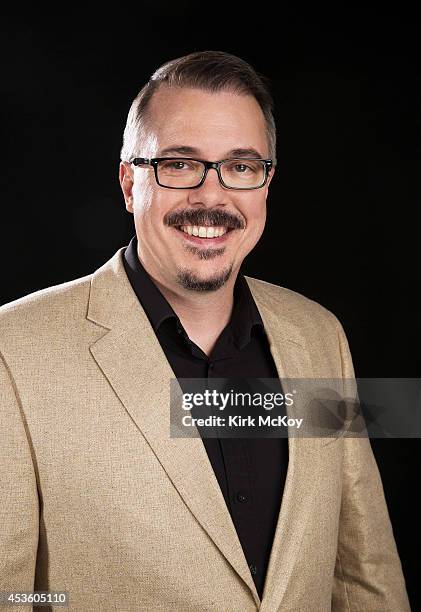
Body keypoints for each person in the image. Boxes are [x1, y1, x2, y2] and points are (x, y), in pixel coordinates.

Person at [0, 50, 410, 611]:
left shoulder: (319, 337)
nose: (211, 196)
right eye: (179, 163)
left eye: (241, 166)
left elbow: (363, 577)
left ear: (265, 184)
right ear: (128, 182)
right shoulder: (15, 351)